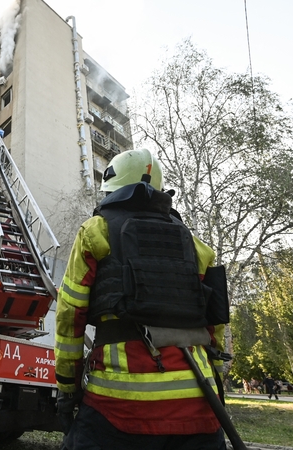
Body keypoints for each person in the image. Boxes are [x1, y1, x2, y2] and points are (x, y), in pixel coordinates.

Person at [54, 149, 227, 450]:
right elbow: (216, 327)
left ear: (111, 187)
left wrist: (67, 387)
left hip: (119, 408)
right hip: (199, 407)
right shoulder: (195, 244)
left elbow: (71, 315)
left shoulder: (95, 232)